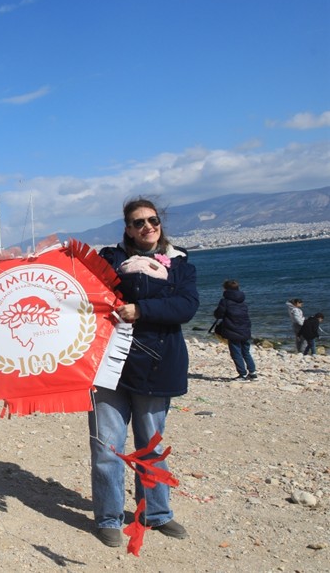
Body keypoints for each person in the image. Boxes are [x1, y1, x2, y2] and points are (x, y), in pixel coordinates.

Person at [89, 198, 198, 547]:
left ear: (160, 223)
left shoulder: (180, 263)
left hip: (157, 364)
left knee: (151, 446)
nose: (146, 227)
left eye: (152, 220)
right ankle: (108, 516)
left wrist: (142, 308)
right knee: (107, 447)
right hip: (109, 366)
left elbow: (186, 306)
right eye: (138, 222)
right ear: (127, 228)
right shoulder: (109, 259)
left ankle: (157, 513)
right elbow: (71, 280)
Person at [213, 280, 256, 380]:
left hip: (232, 330)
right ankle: (253, 373)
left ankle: (242, 374)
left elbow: (218, 314)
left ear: (225, 289)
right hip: (245, 329)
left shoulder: (225, 301)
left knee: (236, 353)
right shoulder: (242, 301)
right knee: (246, 352)